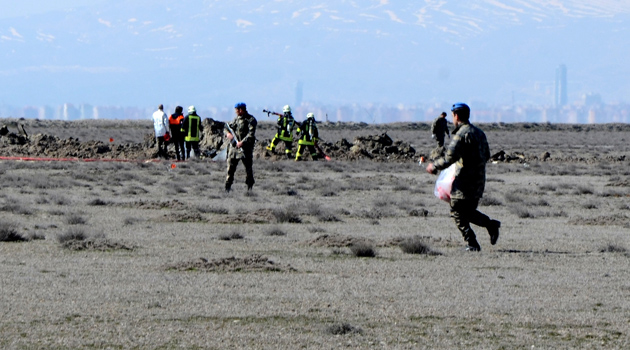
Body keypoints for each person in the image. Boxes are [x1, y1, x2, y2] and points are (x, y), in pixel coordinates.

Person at [426, 103, 500, 252]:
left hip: (464, 181)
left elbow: (449, 158)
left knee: (457, 211)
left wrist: (434, 166)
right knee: (468, 212)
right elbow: (486, 155)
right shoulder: (479, 133)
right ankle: (490, 225)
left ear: (456, 116)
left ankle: (472, 242)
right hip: (479, 181)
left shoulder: (461, 134)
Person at [225, 102, 257, 192]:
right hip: (234, 150)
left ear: (241, 109)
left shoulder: (250, 119)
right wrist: (228, 134)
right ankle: (227, 188)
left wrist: (242, 142)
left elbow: (251, 134)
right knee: (230, 170)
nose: (235, 112)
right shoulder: (235, 120)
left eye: (236, 110)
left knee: (248, 170)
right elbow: (227, 127)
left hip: (245, 150)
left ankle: (249, 188)